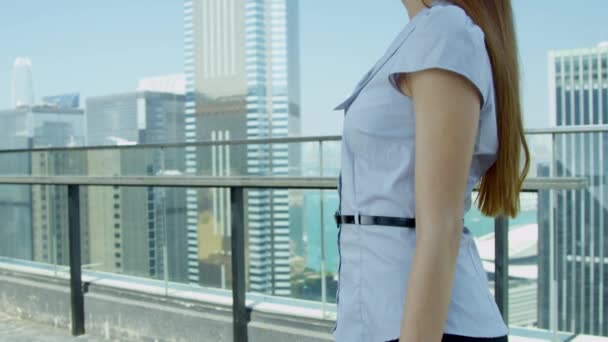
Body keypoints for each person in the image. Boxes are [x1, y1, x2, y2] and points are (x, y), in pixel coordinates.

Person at [331, 0, 530, 341]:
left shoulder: (446, 30)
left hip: (428, 326)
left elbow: (442, 225)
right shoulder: (426, 32)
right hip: (380, 318)